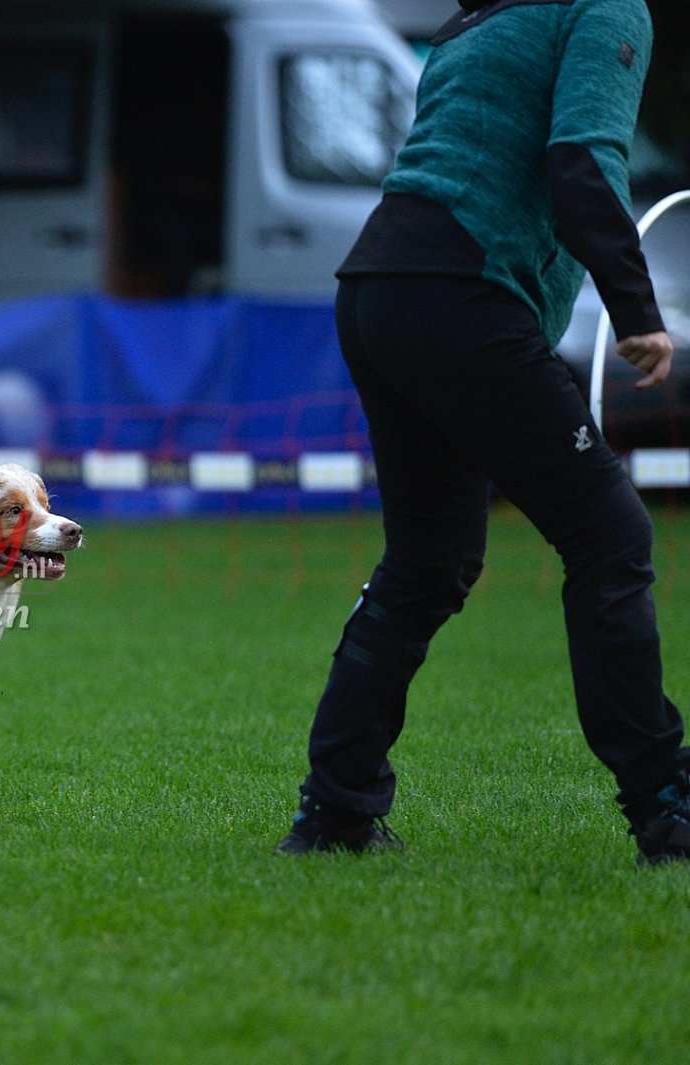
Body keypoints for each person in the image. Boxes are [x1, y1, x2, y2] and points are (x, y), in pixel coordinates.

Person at [276, 0, 690, 864]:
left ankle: (334, 813)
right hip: (461, 291)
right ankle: (666, 807)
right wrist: (637, 311)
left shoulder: (485, 16)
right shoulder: (605, 6)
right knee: (610, 537)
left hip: (378, 289)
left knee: (426, 564)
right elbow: (582, 157)